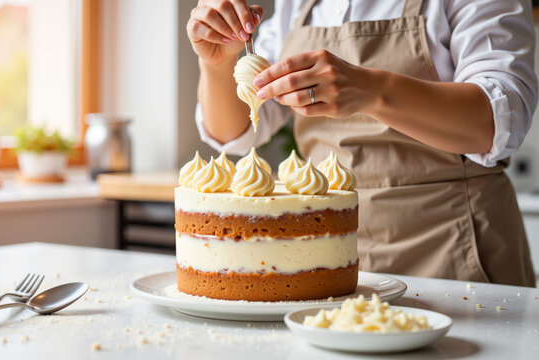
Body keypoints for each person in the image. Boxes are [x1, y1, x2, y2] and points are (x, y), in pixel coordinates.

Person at [187, 0, 537, 286]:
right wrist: (218, 64)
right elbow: (238, 133)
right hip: (322, 262)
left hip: (454, 254)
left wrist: (374, 91)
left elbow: (501, 121)